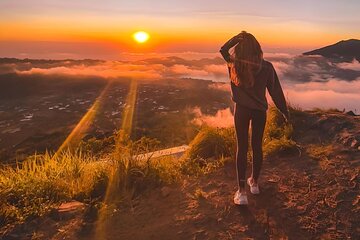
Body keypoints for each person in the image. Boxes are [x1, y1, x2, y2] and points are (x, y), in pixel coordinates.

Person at [220, 31, 289, 205]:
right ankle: (255, 183)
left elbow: (223, 49)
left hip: (241, 111)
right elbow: (276, 93)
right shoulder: (266, 67)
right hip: (259, 112)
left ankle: (242, 192)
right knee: (257, 146)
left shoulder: (235, 65)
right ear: (258, 49)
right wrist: (284, 112)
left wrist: (237, 37)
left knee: (241, 148)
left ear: (241, 49)